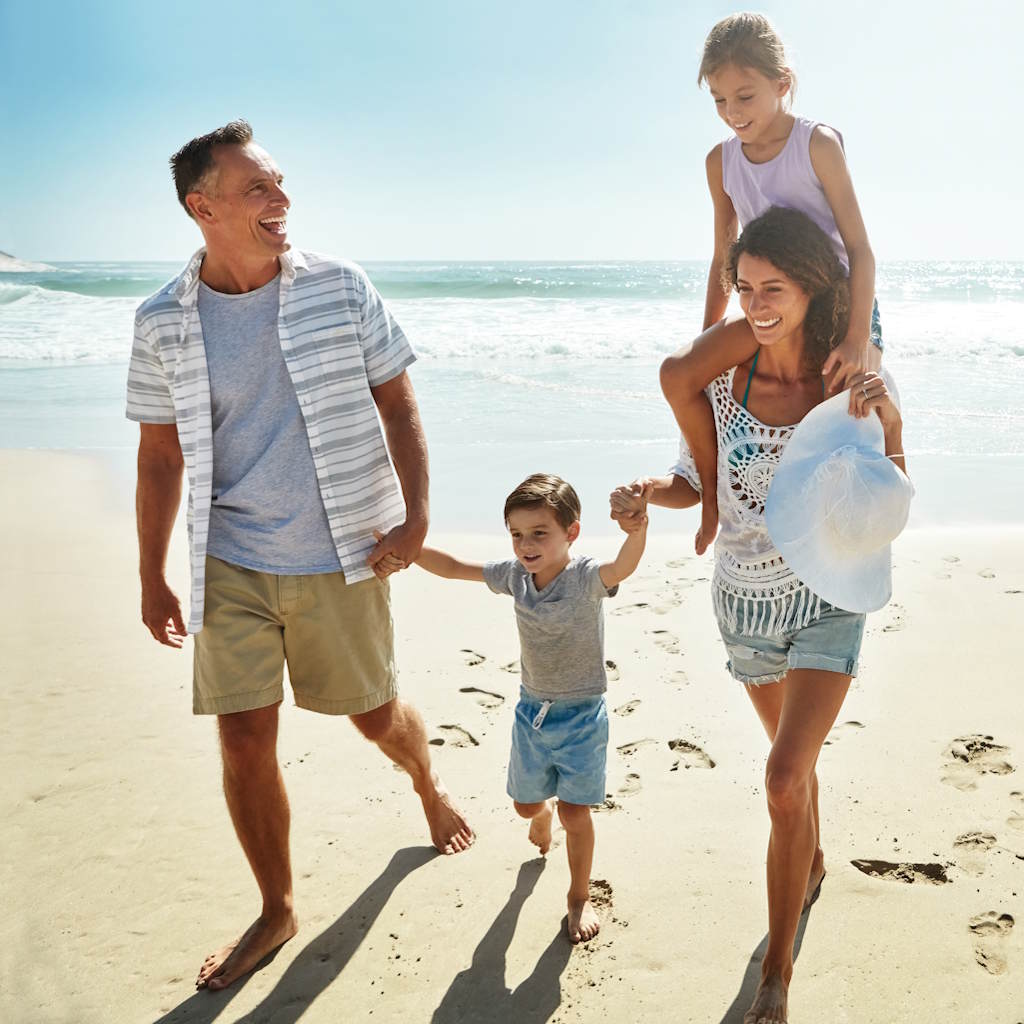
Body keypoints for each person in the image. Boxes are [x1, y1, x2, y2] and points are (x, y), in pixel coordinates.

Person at [126, 120, 473, 993]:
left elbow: (398, 401)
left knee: (373, 715)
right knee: (243, 737)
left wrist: (417, 516)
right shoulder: (162, 320)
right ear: (202, 207)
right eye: (256, 189)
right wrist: (150, 571)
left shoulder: (339, 288)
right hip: (229, 557)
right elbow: (161, 455)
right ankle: (276, 907)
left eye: (280, 185)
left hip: (341, 551)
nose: (280, 201)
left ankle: (426, 785)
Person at [611, 207, 909, 1024]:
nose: (756, 303)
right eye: (743, 288)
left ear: (814, 287)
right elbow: (693, 481)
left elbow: (891, 493)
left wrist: (891, 423)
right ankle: (807, 863)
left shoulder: (848, 379)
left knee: (781, 777)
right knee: (797, 773)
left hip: (828, 597)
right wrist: (647, 494)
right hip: (743, 601)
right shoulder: (722, 383)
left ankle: (776, 971)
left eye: (773, 288)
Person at [670, 11, 883, 555]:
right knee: (682, 372)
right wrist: (710, 333)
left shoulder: (817, 145)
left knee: (844, 425)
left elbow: (860, 249)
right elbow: (724, 253)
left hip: (838, 304)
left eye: (744, 96)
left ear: (781, 83)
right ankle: (710, 492)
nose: (731, 113)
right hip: (767, 304)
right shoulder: (719, 163)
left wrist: (858, 337)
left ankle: (842, 539)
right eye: (719, 100)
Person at [413, 474, 647, 943]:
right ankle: (541, 816)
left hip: (582, 717)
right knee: (525, 806)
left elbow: (621, 568)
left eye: (539, 533)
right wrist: (406, 547)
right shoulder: (516, 576)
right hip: (531, 714)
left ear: (571, 533)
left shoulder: (584, 578)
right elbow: (455, 566)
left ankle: (578, 897)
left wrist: (636, 529)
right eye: (516, 534)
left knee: (576, 815)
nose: (526, 544)